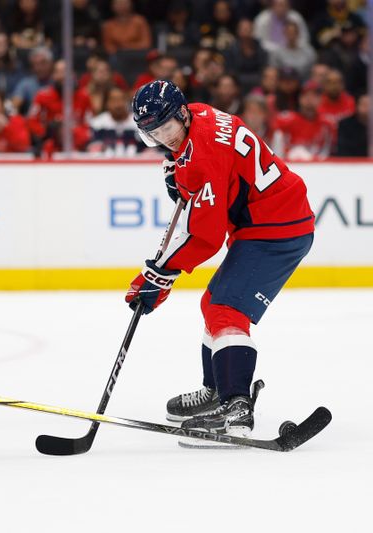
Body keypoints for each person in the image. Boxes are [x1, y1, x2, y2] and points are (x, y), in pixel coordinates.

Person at [126, 80, 314, 439]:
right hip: (270, 218)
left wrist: (160, 275)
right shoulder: (197, 116)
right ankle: (217, 391)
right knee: (214, 302)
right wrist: (180, 173)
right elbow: (204, 168)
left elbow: (205, 236)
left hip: (276, 228)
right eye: (153, 135)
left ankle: (236, 406)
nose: (163, 139)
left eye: (166, 129)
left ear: (181, 114)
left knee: (226, 311)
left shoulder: (203, 152)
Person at [271, 81, 334, 161]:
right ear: (300, 98)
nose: (310, 100)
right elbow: (276, 150)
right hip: (289, 166)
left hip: (318, 168)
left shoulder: (327, 123)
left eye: (315, 96)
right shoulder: (285, 120)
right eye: (306, 95)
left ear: (321, 99)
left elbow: (327, 152)